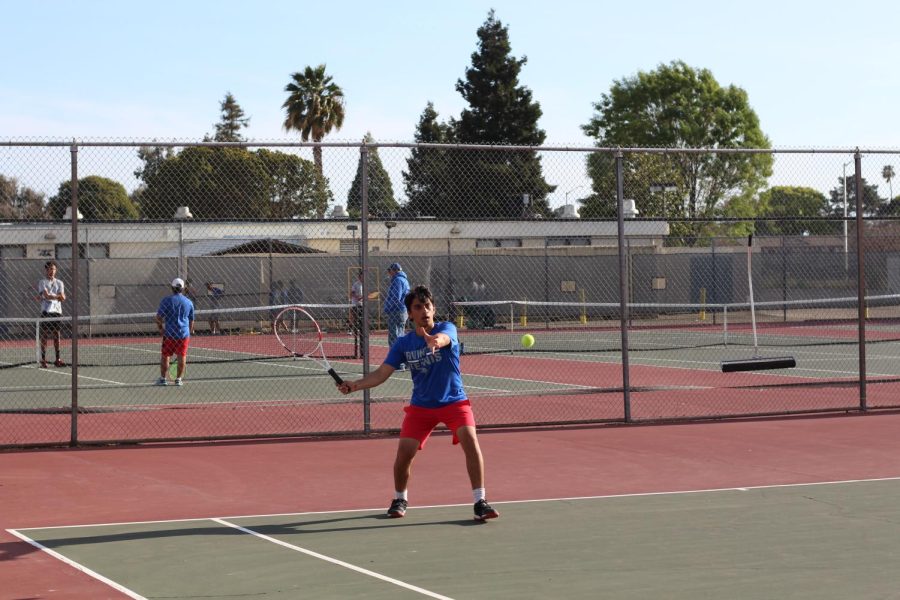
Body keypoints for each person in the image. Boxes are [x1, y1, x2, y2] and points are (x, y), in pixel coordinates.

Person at [337, 285, 499, 522]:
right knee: (404, 454)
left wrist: (436, 341)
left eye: (428, 306)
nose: (424, 310)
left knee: (471, 441)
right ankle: (400, 498)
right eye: (418, 307)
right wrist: (356, 385)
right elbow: (382, 373)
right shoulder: (403, 344)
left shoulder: (447, 329)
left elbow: (445, 339)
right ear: (410, 314)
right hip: (421, 407)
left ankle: (480, 502)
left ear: (434, 309)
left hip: (454, 402)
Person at [155, 277, 195, 386]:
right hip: (183, 334)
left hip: (169, 334)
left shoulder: (166, 300)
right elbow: (191, 320)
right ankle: (178, 380)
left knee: (165, 356)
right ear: (183, 288)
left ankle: (163, 379)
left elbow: (158, 317)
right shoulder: (189, 302)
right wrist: (189, 332)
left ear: (172, 288)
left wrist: (161, 329)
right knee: (182, 356)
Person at [37, 260, 66, 368]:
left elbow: (63, 298)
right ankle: (43, 360)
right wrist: (57, 296)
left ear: (56, 270)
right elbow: (47, 295)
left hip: (57, 312)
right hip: (46, 312)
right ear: (46, 270)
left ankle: (57, 359)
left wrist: (52, 296)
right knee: (44, 336)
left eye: (53, 269)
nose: (51, 271)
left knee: (56, 336)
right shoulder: (42, 282)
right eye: (49, 269)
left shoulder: (60, 283)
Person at [383, 263, 410, 363]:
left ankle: (398, 363)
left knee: (394, 337)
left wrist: (387, 307)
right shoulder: (404, 280)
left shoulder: (397, 280)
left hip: (396, 311)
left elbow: (395, 298)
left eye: (390, 271)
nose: (389, 273)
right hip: (402, 310)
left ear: (395, 270)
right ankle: (405, 361)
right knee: (400, 335)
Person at [349, 270, 364, 335]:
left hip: (361, 304)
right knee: (354, 318)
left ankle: (361, 331)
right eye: (361, 276)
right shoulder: (356, 284)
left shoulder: (364, 285)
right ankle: (352, 330)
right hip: (355, 304)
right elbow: (352, 293)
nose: (362, 278)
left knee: (362, 318)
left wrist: (363, 298)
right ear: (359, 277)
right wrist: (357, 297)